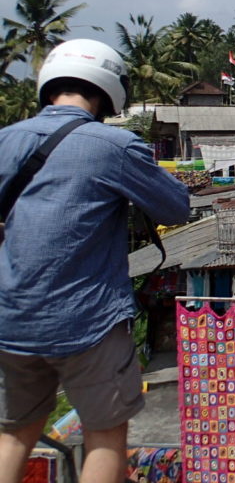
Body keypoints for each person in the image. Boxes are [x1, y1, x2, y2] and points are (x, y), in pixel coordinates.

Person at [0, 39, 190, 483]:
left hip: (12, 318)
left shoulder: (5, 140)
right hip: (87, 320)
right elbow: (176, 208)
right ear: (109, 92)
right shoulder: (114, 145)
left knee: (13, 435)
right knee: (105, 437)